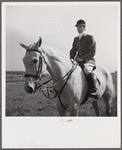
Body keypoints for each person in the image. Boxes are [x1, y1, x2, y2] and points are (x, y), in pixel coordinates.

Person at [70, 19, 99, 98]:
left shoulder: (90, 37)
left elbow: (92, 51)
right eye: (77, 27)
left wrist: (82, 59)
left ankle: (94, 89)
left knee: (86, 69)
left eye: (80, 27)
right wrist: (71, 58)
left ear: (84, 27)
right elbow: (73, 50)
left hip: (88, 61)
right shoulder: (75, 39)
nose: (78, 28)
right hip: (78, 61)